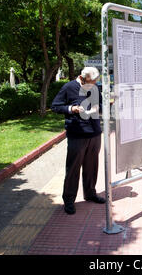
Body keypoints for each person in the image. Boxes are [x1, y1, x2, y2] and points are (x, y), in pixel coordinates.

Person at [51, 67, 105, 215]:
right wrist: (71, 109)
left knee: (91, 167)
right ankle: (69, 200)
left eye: (95, 82)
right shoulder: (69, 87)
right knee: (73, 169)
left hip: (94, 133)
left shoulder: (94, 87)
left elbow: (101, 105)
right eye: (91, 82)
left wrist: (97, 107)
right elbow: (55, 106)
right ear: (82, 78)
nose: (93, 84)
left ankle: (90, 193)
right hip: (77, 134)